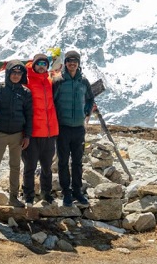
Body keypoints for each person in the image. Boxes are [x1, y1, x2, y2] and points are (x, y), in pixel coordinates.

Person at [0, 60, 33, 207]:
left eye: (19, 73)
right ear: (8, 73)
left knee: (15, 166)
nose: (16, 76)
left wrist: (27, 135)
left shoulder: (25, 92)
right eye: (13, 72)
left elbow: (29, 114)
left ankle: (13, 197)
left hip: (18, 135)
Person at [51, 50, 95, 208]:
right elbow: (52, 103)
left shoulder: (84, 81)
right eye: (69, 60)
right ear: (65, 62)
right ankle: (66, 192)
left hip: (78, 128)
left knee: (77, 162)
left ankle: (77, 191)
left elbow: (90, 99)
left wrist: (86, 113)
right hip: (63, 128)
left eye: (75, 61)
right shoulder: (58, 81)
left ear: (79, 63)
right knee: (63, 161)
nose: (72, 63)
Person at [22, 53, 59, 206]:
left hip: (50, 132)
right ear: (34, 65)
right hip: (33, 133)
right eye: (39, 64)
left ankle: (46, 193)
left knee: (47, 167)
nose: (42, 66)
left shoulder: (50, 82)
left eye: (44, 64)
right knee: (30, 166)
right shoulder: (26, 81)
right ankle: (28, 195)